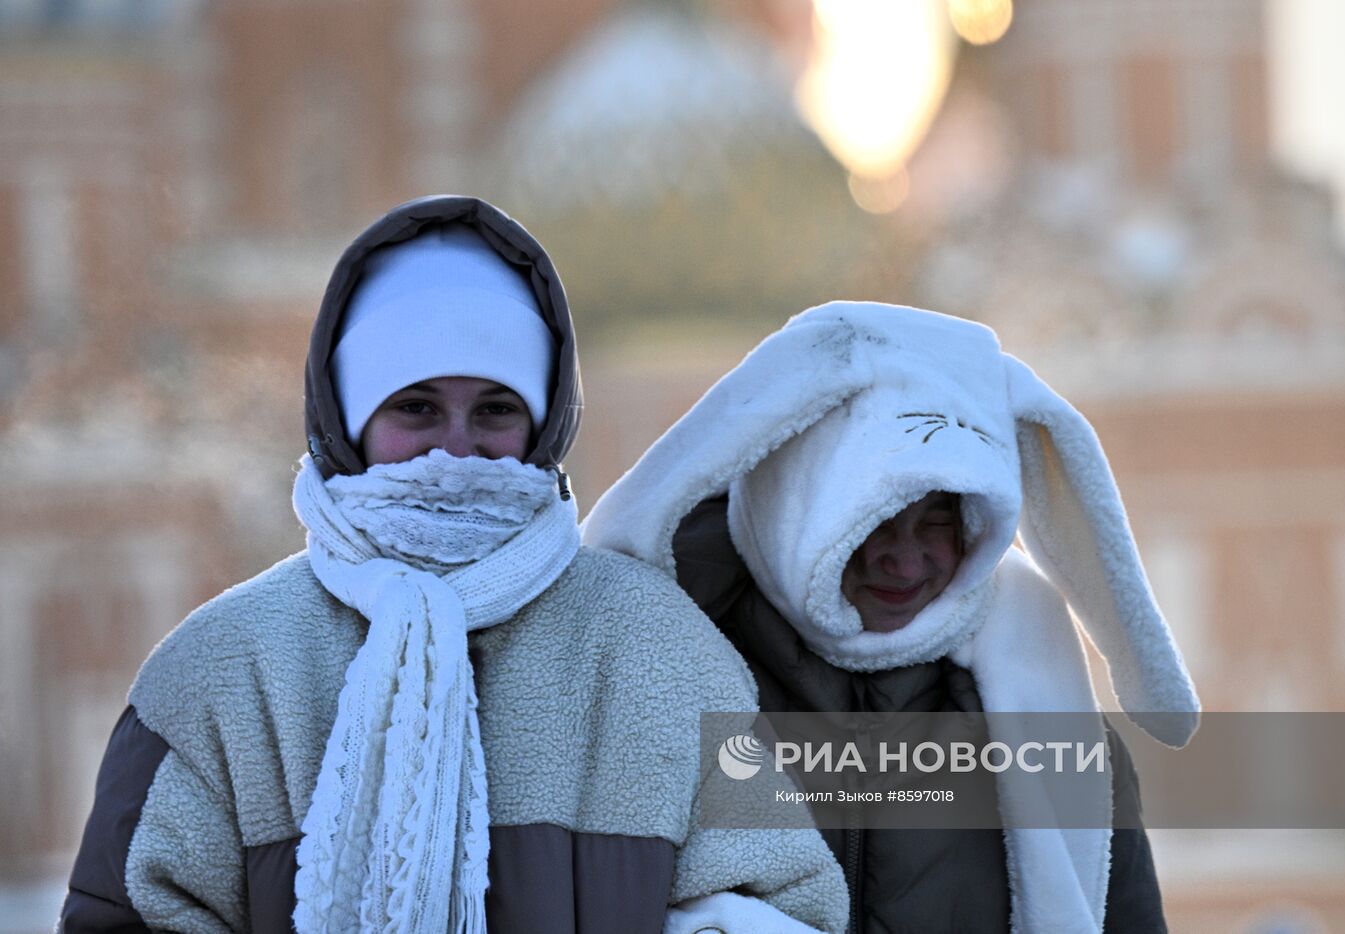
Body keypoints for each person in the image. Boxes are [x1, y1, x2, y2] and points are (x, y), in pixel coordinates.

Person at [59, 196, 846, 933]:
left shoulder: (657, 654)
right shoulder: (226, 674)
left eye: (497, 410)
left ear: (545, 427)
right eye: (416, 407)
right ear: (346, 420)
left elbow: (778, 905)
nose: (457, 448)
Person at [583, 301, 1202, 933]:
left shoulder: (1058, 726)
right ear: (799, 504)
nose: (905, 562)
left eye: (940, 517)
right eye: (871, 519)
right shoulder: (657, 686)